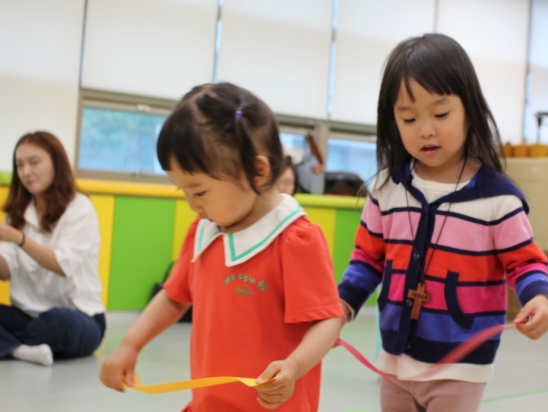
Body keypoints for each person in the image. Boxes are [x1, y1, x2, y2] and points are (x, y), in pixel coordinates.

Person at [337, 33, 548, 411]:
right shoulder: (386, 189)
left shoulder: (497, 199)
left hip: (461, 364)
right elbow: (367, 259)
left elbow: (526, 263)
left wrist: (538, 296)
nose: (425, 130)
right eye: (409, 118)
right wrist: (341, 305)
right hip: (394, 358)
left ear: (469, 109)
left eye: (440, 115)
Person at [100, 82, 343, 411]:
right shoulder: (203, 231)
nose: (192, 204)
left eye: (199, 192)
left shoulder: (295, 240)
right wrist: (130, 345)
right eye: (183, 192)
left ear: (257, 171)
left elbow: (327, 321)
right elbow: (173, 297)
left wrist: (295, 366)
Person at [0, 131, 105, 367]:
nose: (26, 171)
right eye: (20, 165)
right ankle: (21, 350)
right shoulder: (17, 212)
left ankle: (9, 345)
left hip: (78, 317)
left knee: (61, 322)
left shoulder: (79, 208)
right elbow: (5, 271)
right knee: (41, 325)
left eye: (34, 162)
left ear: (56, 163)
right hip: (26, 315)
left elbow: (61, 265)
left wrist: (19, 238)